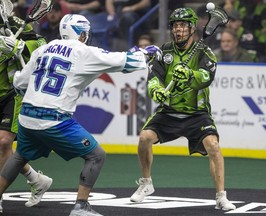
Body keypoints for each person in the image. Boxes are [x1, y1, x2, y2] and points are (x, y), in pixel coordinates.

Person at [0, 14, 162, 216]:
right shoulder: (83, 52)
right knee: (96, 155)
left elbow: (19, 83)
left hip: (27, 116)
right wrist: (146, 53)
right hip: (54, 119)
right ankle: (81, 206)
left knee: (19, 156)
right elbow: (125, 62)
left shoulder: (43, 49)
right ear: (81, 33)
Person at [130, 7, 236, 211]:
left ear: (192, 28)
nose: (178, 30)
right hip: (168, 112)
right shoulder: (164, 51)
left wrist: (189, 74)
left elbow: (207, 78)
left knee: (213, 146)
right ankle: (146, 183)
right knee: (144, 138)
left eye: (182, 26)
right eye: (175, 26)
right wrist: (157, 91)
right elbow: (153, 78)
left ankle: (221, 197)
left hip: (197, 114)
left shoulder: (205, 52)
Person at [0, 12, 53, 212]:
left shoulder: (14, 23)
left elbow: (41, 45)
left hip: (12, 93)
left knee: (4, 142)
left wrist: (21, 48)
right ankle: (37, 179)